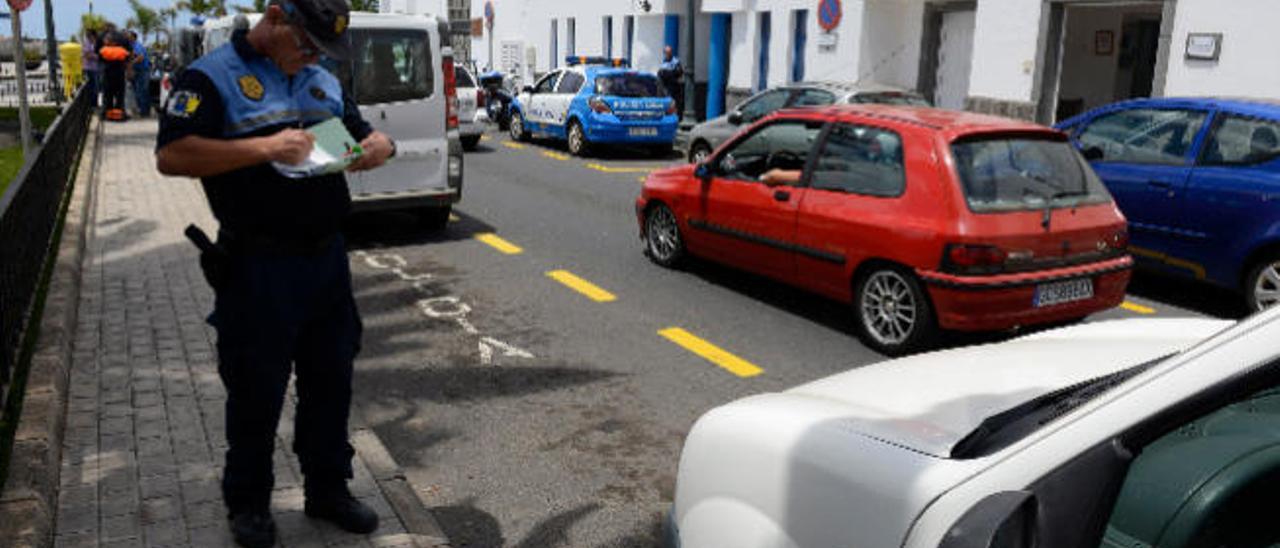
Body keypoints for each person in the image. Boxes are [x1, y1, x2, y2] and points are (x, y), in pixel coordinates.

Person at [154, 1, 396, 546]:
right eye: (306, 42)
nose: (312, 56)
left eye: (320, 49)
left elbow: (357, 134)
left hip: (326, 262)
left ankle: (328, 488)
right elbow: (172, 155)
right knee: (257, 388)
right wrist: (266, 146)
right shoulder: (211, 76)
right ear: (275, 17)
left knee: (331, 380)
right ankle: (249, 503)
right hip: (257, 264)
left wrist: (378, 146)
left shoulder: (319, 78)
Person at [99, 33, 131, 119]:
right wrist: (129, 72)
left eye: (106, 40)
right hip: (119, 76)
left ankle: (106, 114)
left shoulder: (104, 51)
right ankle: (120, 114)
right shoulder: (123, 51)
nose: (104, 42)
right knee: (120, 96)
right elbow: (127, 61)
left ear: (111, 42)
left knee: (107, 96)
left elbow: (101, 61)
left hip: (108, 77)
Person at [128, 30, 152, 117]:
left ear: (133, 37)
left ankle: (144, 111)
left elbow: (140, 57)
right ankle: (142, 110)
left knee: (142, 91)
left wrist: (131, 63)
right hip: (138, 71)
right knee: (138, 91)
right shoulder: (131, 46)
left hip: (142, 71)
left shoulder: (137, 46)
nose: (127, 37)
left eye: (129, 36)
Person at [658, 45, 684, 120]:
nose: (667, 54)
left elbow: (679, 72)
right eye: (666, 53)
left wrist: (669, 73)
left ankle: (675, 118)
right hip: (665, 88)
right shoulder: (663, 63)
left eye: (669, 52)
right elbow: (660, 75)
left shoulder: (676, 62)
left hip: (674, 87)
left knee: (674, 104)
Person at [81, 29, 102, 108]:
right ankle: (91, 104)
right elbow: (87, 55)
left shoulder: (94, 43)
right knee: (91, 87)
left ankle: (94, 103)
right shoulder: (87, 43)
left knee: (96, 87)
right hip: (89, 68)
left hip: (95, 68)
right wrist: (98, 57)